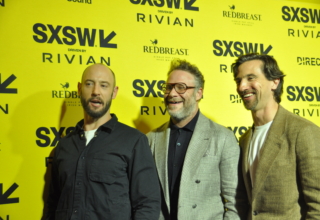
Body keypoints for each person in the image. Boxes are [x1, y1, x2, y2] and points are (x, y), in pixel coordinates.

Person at [45, 63, 160, 220]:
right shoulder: (64, 146)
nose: (96, 92)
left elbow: (147, 205)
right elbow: (52, 204)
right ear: (79, 88)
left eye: (104, 85)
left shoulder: (133, 141)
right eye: (89, 84)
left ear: (114, 92)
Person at [147, 59, 248, 220]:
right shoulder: (151, 139)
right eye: (168, 87)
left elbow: (236, 202)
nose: (172, 93)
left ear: (198, 93)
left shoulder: (222, 138)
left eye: (181, 87)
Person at [232, 53, 320, 219]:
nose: (242, 86)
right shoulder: (244, 139)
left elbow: (317, 206)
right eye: (238, 80)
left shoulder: (303, 132)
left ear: (275, 82)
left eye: (251, 78)